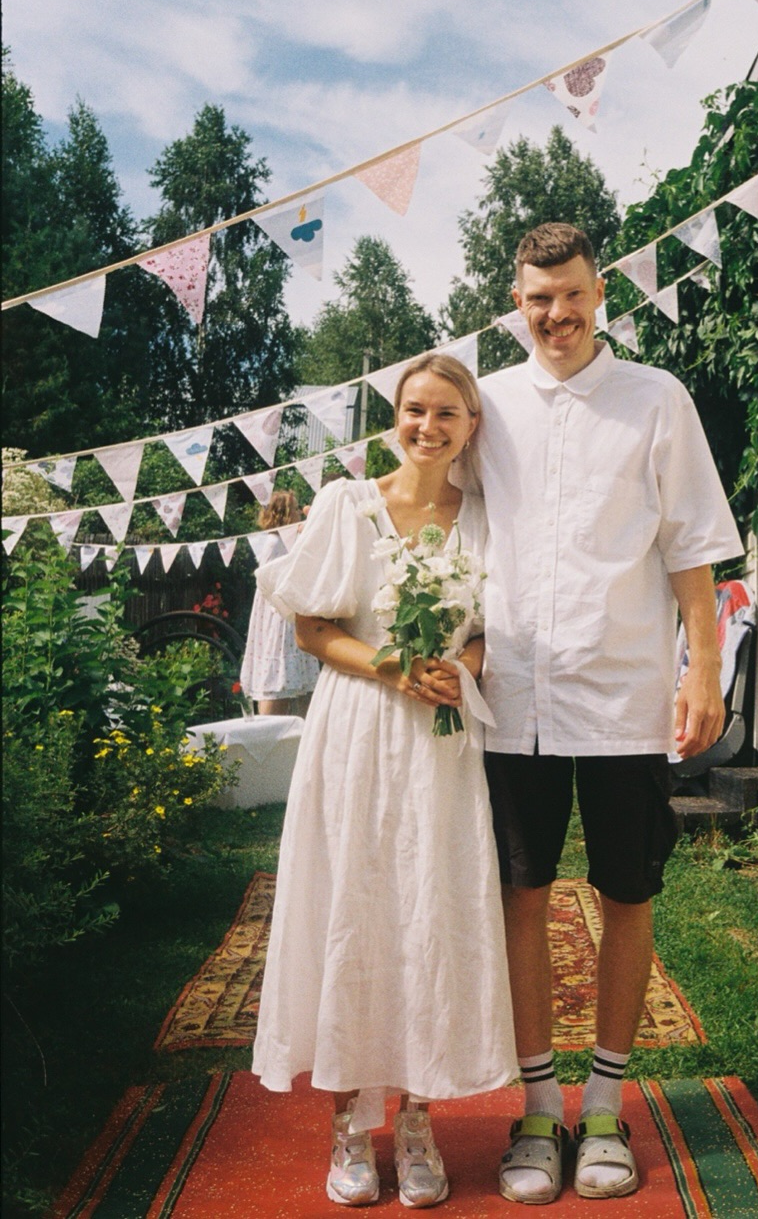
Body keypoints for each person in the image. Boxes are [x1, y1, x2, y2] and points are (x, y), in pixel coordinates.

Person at [474, 223, 743, 1204]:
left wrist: (701, 672)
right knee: (522, 896)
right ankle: (539, 1109)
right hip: (513, 699)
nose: (558, 314)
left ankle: (603, 1108)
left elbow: (692, 544)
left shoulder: (656, 398)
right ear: (517, 304)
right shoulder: (487, 406)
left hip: (626, 694)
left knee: (628, 893)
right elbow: (436, 516)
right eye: (539, 298)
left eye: (573, 293)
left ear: (600, 294)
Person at [251, 354, 516, 1208]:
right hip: (358, 732)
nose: (427, 427)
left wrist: (462, 667)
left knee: (428, 914)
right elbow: (312, 628)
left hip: (441, 744)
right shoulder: (347, 504)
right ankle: (347, 1130)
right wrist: (391, 665)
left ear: (470, 427)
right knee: (352, 910)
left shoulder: (484, 520)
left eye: (446, 413)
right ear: (393, 417)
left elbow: (493, 631)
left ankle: (416, 1120)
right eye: (414, 410)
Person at [238, 490, 320, 716]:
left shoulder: (291, 538)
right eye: (295, 509)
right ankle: (269, 726)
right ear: (284, 513)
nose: (298, 512)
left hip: (291, 607)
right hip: (276, 612)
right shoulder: (274, 542)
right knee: (275, 674)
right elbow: (266, 579)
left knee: (298, 679)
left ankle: (301, 730)